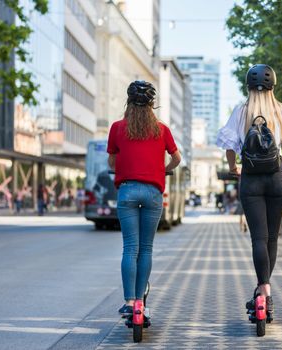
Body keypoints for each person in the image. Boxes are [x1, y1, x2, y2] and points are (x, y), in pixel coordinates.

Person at [216, 64, 282, 322]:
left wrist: (235, 168)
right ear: (273, 86)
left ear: (248, 87)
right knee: (272, 239)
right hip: (277, 179)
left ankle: (262, 290)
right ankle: (265, 290)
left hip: (251, 180)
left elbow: (230, 146)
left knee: (258, 238)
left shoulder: (241, 112)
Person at [107, 80, 181, 316]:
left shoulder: (117, 128)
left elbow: (111, 161)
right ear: (152, 105)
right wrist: (164, 169)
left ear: (128, 102)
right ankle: (140, 302)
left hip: (127, 190)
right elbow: (177, 158)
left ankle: (129, 302)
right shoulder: (162, 130)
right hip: (153, 193)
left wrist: (121, 166)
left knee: (130, 248)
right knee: (146, 248)